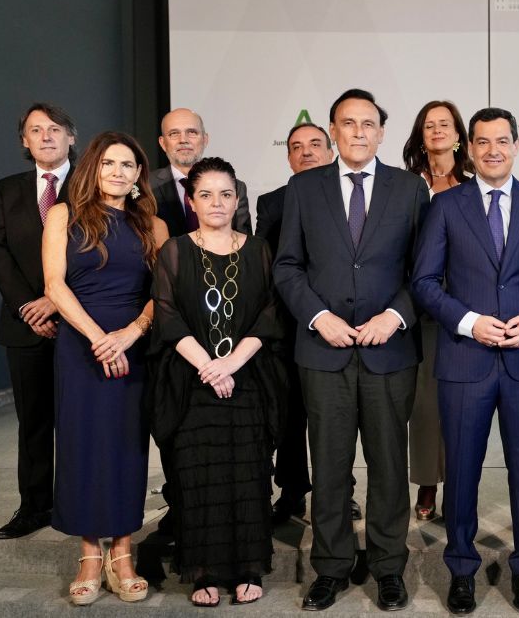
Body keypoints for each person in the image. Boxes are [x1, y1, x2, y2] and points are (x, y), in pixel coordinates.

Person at [273, 88, 429, 612]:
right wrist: (319, 317)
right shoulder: (304, 187)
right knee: (331, 466)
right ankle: (332, 567)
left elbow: (424, 271)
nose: (359, 132)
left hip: (390, 351)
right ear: (332, 132)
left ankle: (388, 568)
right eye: (348, 123)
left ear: (382, 132)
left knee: (388, 466)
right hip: (324, 352)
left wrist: (395, 315)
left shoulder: (410, 189)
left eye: (368, 124)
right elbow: (287, 266)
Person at [411, 107, 519, 614]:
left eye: (502, 140)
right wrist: (467, 320)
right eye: (482, 141)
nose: (493, 149)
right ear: (468, 149)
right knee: (462, 474)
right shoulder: (446, 205)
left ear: (517, 145)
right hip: (464, 359)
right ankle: (460, 569)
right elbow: (425, 283)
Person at [150, 157, 286, 607]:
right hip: (192, 382)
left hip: (247, 380)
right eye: (205, 194)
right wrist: (209, 365)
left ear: (237, 200)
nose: (216, 202)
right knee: (197, 477)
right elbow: (167, 316)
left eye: (226, 194)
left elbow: (269, 314)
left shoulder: (259, 249)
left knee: (248, 474)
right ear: (192, 200)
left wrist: (231, 365)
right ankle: (203, 571)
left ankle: (248, 567)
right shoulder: (173, 250)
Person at [41, 131, 169, 605]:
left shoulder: (152, 226)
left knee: (126, 446)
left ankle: (123, 552)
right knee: (81, 443)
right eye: (110, 163)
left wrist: (131, 334)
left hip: (133, 343)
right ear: (93, 167)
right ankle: (89, 555)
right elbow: (54, 285)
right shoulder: (63, 215)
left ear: (139, 175)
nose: (118, 172)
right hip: (82, 346)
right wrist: (98, 338)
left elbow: (165, 294)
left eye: (129, 165)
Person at [0, 102, 76, 540]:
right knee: (34, 421)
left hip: (81, 322)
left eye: (54, 129)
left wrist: (56, 301)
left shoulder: (93, 184)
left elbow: (101, 248)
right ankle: (34, 506)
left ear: (71, 136)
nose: (46, 137)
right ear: (24, 141)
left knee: (81, 418)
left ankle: (80, 502)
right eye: (36, 130)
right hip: (25, 325)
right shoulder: (7, 189)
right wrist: (29, 305)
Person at [255, 122, 335, 525]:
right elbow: (268, 265)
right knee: (290, 415)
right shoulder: (272, 202)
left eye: (315, 145)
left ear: (331, 150)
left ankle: (338, 491)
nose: (306, 152)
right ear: (288, 156)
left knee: (332, 417)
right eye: (296, 147)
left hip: (340, 324)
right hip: (289, 322)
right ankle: (291, 491)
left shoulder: (350, 194)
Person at [401, 100, 474, 521]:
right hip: (420, 306)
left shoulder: (473, 182)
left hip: (466, 306)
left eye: (444, 124)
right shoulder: (406, 184)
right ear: (420, 135)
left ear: (459, 135)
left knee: (461, 403)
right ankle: (428, 483)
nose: (437, 131)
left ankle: (459, 488)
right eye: (429, 125)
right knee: (426, 404)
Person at [152, 107, 253, 235]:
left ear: (205, 139)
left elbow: (245, 243)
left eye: (192, 132)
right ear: (162, 143)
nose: (183, 140)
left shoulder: (236, 187)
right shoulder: (146, 186)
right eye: (174, 134)